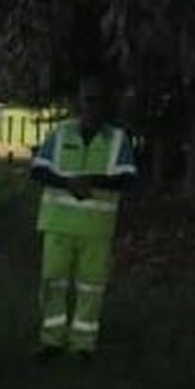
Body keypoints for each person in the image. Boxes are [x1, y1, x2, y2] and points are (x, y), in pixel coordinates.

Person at [27, 75, 139, 360]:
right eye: (88, 99)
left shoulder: (118, 140)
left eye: (99, 100)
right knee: (53, 282)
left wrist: (93, 181)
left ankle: (83, 344)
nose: (93, 106)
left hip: (96, 229)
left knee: (91, 287)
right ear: (79, 101)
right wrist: (68, 183)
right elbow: (37, 171)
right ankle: (51, 340)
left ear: (107, 104)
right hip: (58, 225)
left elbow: (128, 179)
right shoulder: (60, 134)